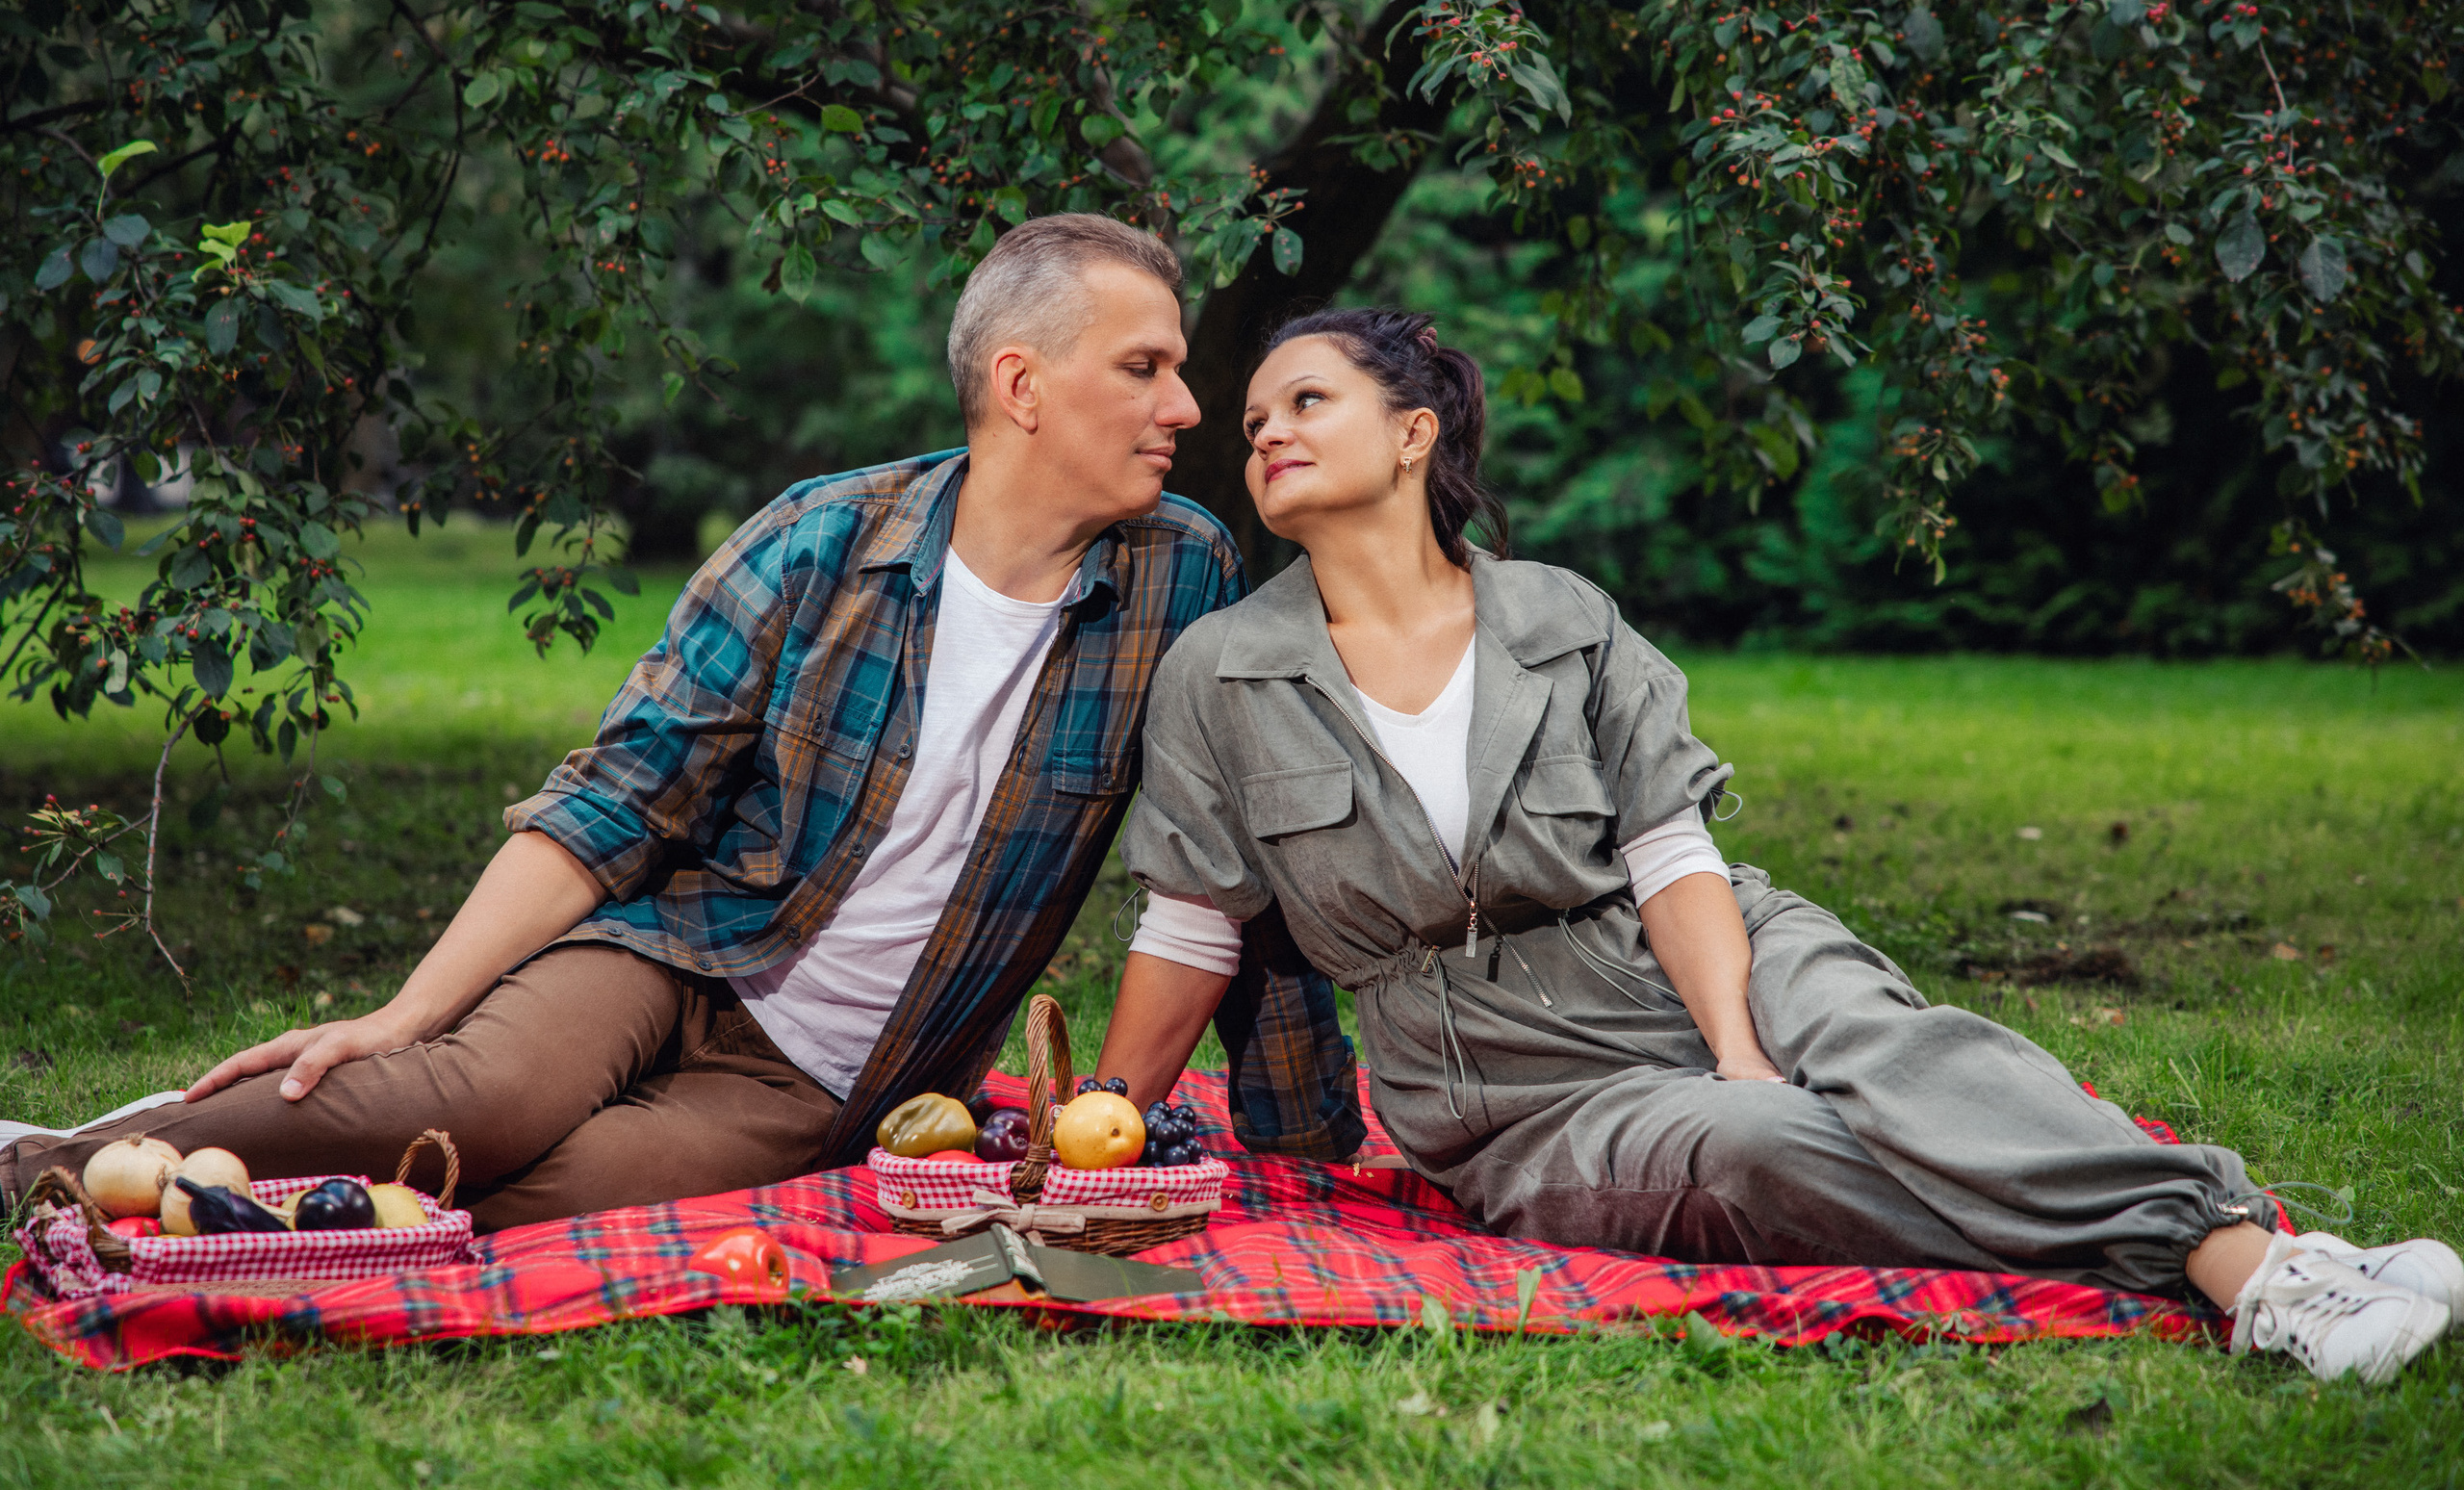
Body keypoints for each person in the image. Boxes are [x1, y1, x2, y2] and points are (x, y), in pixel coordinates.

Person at [1091, 306, 2460, 1385]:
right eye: (1254, 422)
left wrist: (1736, 1039)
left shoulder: (1565, 618)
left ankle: (2259, 1273)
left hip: (1695, 946)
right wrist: (1096, 1124)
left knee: (1896, 1057)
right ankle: (2253, 1258)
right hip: (1509, 1086)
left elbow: (1668, 851)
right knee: (1760, 1144)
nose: (1263, 434)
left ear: (1412, 433)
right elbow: (1192, 924)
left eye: (1305, 402)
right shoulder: (1222, 670)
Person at [0, 216, 1358, 1232]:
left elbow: (1227, 856)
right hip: (673, 952)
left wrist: (1296, 1130)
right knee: (472, 1100)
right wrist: (407, 1012)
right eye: (1145, 367)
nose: (1187, 408)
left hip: (824, 1085)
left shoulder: (1180, 572)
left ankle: (192, 1186)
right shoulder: (822, 540)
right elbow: (620, 795)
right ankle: (43, 1164)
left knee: (538, 1195)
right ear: (1023, 385)